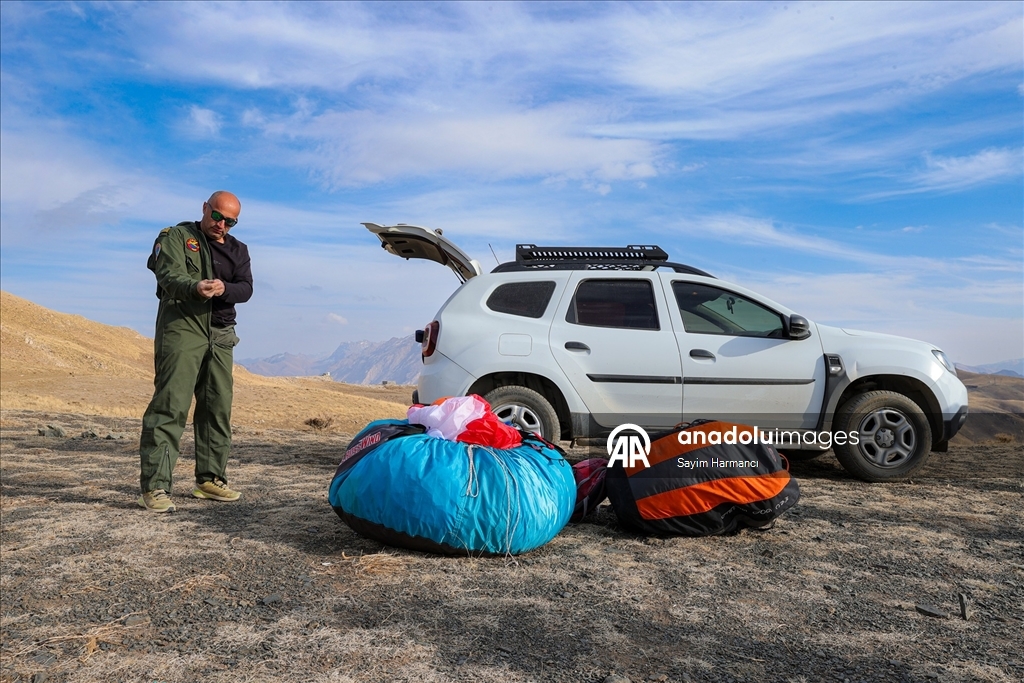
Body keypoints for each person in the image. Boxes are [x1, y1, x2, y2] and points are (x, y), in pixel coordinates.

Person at [138, 191, 253, 512]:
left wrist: (224, 288)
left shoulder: (238, 250)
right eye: (217, 216)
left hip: (221, 333)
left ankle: (210, 480)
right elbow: (167, 274)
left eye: (230, 221)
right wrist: (195, 287)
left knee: (217, 407)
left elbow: (246, 287)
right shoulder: (176, 237)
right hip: (183, 325)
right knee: (171, 404)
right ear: (205, 208)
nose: (221, 225)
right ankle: (156, 487)